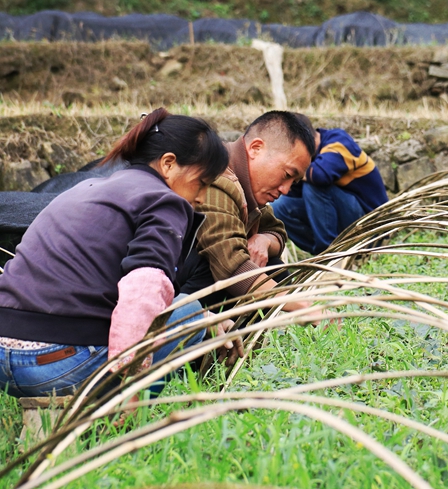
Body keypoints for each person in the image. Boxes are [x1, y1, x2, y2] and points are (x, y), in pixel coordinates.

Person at [0, 109, 243, 398]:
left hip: (4, 357)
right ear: (168, 164)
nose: (201, 198)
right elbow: (143, 290)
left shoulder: (86, 188)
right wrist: (132, 383)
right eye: (201, 183)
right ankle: (118, 418)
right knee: (189, 312)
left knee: (183, 307)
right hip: (56, 364)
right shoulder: (164, 201)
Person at [179, 110, 316, 306]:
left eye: (293, 182)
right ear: (256, 148)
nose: (286, 189)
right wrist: (302, 307)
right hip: (162, 295)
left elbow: (276, 230)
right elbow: (231, 268)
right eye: (287, 174)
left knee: (271, 266)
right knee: (218, 266)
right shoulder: (215, 177)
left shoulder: (248, 188)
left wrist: (265, 241)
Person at [271, 116, 388, 255]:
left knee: (314, 187)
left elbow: (320, 175)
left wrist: (293, 170)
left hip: (370, 225)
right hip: (341, 218)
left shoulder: (338, 141)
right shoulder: (308, 158)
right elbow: (293, 193)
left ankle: (331, 256)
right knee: (278, 207)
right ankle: (324, 254)